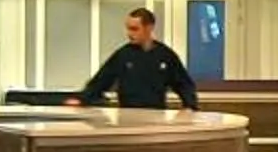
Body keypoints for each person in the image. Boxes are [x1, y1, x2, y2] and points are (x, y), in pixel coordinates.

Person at [71, 7, 199, 112]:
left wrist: (189, 105)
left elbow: (184, 84)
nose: (129, 33)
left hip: (157, 117)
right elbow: (101, 80)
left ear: (149, 28)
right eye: (128, 28)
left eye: (134, 29)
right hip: (127, 117)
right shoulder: (123, 55)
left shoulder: (165, 55)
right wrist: (82, 99)